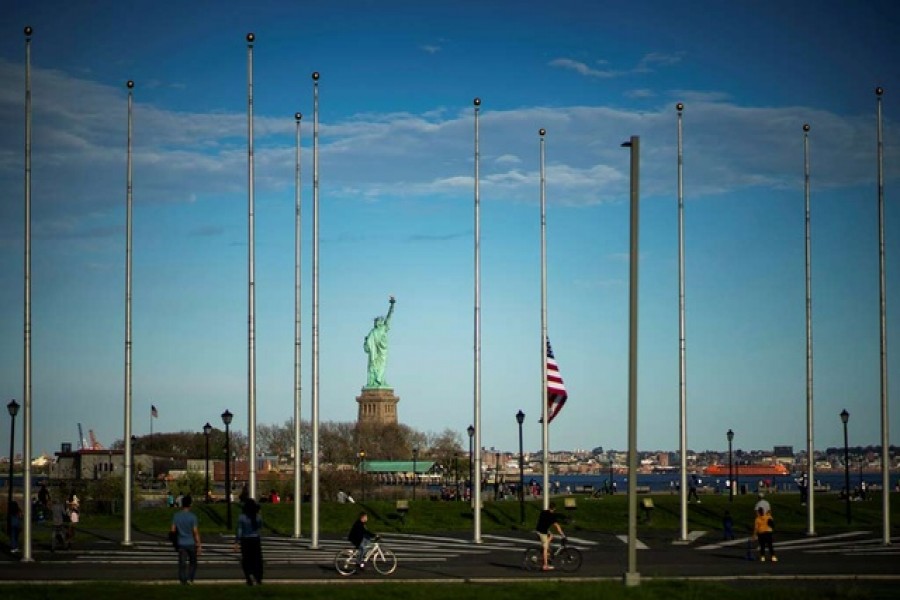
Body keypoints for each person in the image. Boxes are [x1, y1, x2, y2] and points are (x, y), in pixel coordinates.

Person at [363, 296, 396, 388]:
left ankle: (379, 380)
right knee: (376, 367)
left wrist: (392, 305)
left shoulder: (377, 331)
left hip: (381, 353)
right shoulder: (374, 331)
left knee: (378, 366)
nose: (377, 322)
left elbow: (389, 316)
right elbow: (367, 345)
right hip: (377, 354)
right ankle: (376, 381)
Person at [170, 494, 202, 585]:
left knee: (182, 563)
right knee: (193, 562)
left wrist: (174, 541)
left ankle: (182, 580)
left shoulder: (176, 516)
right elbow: (195, 532)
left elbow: (172, 530)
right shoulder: (193, 517)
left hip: (181, 542)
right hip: (191, 542)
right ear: (190, 504)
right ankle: (190, 578)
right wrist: (199, 544)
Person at [234, 498, 263, 586]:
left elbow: (239, 530)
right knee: (257, 559)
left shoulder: (242, 517)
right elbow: (260, 526)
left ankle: (249, 576)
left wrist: (236, 542)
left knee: (246, 559)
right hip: (255, 539)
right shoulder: (257, 517)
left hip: (245, 539)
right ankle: (258, 577)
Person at [535, 502, 565, 571]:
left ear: (549, 507)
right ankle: (545, 566)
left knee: (551, 536)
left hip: (539, 530)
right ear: (554, 508)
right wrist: (562, 535)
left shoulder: (543, 512)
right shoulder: (552, 516)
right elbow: (557, 526)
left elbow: (541, 522)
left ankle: (546, 550)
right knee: (545, 547)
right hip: (542, 532)